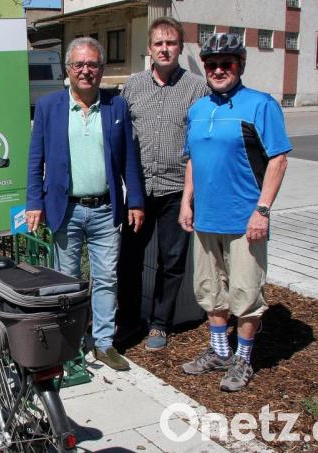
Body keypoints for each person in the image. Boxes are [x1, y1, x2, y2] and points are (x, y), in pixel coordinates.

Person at [26, 37, 145, 371]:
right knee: (67, 280)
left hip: (106, 210)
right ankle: (71, 344)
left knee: (107, 278)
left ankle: (104, 343)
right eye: (79, 64)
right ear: (68, 69)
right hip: (66, 209)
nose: (86, 70)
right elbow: (36, 160)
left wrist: (135, 200)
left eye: (92, 64)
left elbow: (129, 161)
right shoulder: (49, 106)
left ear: (102, 69)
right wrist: (34, 201)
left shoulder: (116, 106)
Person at [179, 33, 290, 391]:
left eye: (226, 63)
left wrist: (263, 210)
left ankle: (243, 359)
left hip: (245, 220)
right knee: (209, 290)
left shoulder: (260, 105)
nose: (218, 70)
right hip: (206, 217)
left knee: (245, 293)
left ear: (239, 65)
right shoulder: (198, 109)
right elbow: (193, 159)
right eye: (212, 65)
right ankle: (219, 351)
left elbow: (278, 159)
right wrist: (186, 200)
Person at [117, 17, 210, 351]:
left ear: (180, 48)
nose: (165, 48)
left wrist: (191, 195)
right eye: (159, 43)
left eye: (171, 43)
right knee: (129, 259)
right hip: (140, 192)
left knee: (171, 262)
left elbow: (202, 143)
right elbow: (120, 135)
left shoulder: (197, 88)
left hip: (176, 190)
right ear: (150, 49)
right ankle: (128, 320)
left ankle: (159, 323)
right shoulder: (133, 86)